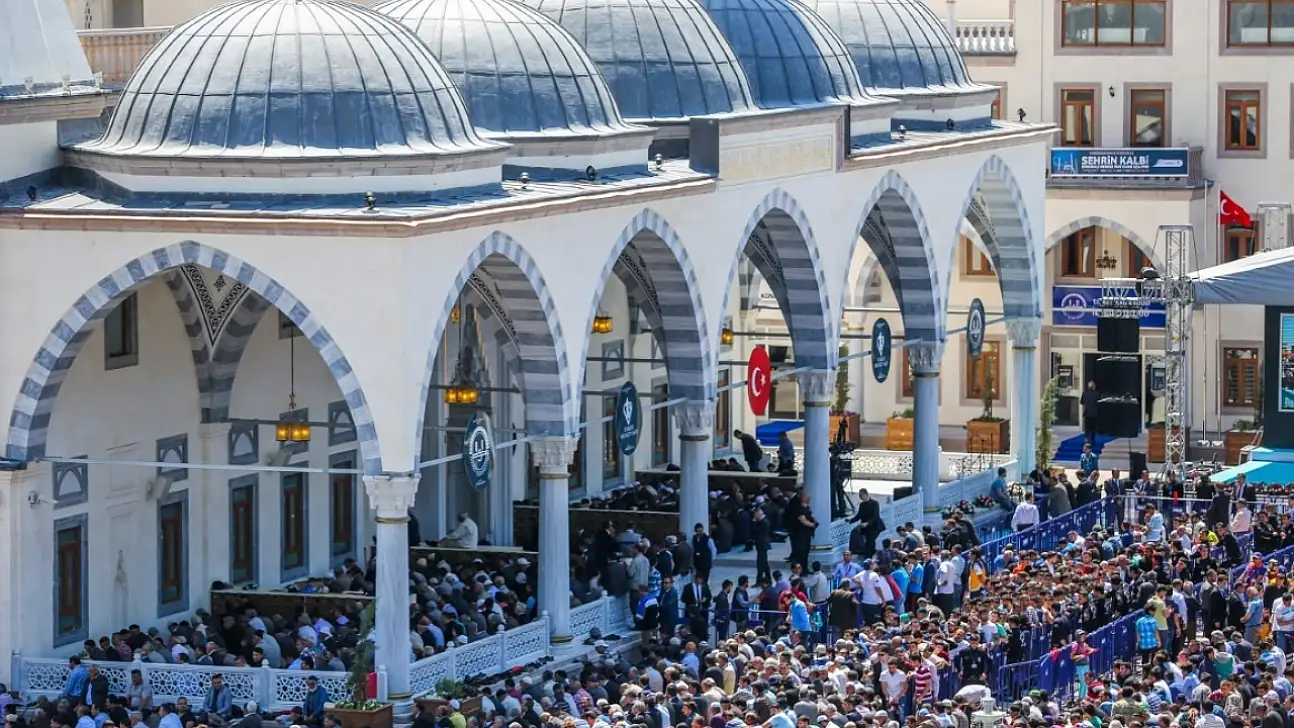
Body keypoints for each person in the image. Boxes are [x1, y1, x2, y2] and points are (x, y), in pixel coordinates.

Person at [784, 491, 818, 569]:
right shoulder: (798, 508)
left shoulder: (807, 507)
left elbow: (811, 516)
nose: (809, 499)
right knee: (801, 553)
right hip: (800, 534)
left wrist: (815, 521)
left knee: (806, 553)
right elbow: (803, 520)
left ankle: (805, 568)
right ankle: (800, 570)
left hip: (807, 534)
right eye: (807, 498)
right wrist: (813, 525)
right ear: (803, 498)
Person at [850, 489, 883, 558]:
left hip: (874, 526)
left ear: (866, 494)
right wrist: (850, 520)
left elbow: (875, 516)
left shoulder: (874, 503)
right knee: (869, 541)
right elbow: (859, 515)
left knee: (870, 540)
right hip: (866, 528)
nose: (861, 498)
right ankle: (870, 555)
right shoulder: (862, 505)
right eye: (860, 496)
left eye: (861, 496)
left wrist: (867, 523)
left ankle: (869, 556)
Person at [750, 507, 771, 583]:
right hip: (761, 544)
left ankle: (759, 580)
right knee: (764, 563)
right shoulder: (762, 521)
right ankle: (768, 578)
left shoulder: (763, 522)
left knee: (760, 563)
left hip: (762, 544)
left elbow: (754, 529)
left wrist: (753, 521)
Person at [1082, 380, 1099, 445]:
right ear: (1094, 387)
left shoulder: (1084, 393)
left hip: (1087, 412)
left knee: (1087, 426)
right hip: (1094, 413)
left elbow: (1082, 402)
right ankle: (1093, 439)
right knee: (1093, 427)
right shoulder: (1096, 394)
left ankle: (1086, 438)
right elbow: (1098, 402)